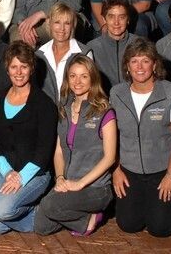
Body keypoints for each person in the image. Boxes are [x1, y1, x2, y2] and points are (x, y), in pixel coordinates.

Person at [111, 38, 171, 237]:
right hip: (129, 170)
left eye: (145, 61)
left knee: (160, 229)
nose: (139, 67)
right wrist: (116, 169)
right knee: (128, 225)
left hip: (163, 170)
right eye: (134, 61)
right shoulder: (117, 93)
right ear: (127, 66)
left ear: (154, 65)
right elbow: (111, 136)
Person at [34, 55, 116, 237]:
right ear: (67, 79)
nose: (77, 81)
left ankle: (92, 218)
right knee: (41, 227)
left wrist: (80, 184)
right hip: (69, 184)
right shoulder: (63, 108)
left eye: (84, 76)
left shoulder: (105, 111)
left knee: (49, 206)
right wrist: (61, 177)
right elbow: (58, 150)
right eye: (73, 76)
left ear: (92, 78)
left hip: (96, 188)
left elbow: (110, 157)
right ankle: (79, 215)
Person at [0, 41, 57, 235]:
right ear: (7, 69)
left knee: (1, 210)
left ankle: (47, 215)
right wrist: (8, 173)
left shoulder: (44, 104)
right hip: (2, 169)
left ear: (31, 69)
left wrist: (20, 178)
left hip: (34, 173)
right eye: (14, 66)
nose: (18, 72)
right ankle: (32, 212)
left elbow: (43, 152)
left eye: (23, 66)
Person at [37, 2, 92, 103]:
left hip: (75, 113)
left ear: (73, 26)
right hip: (46, 113)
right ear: (49, 24)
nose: (62, 28)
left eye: (67, 23)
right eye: (57, 22)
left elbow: (91, 89)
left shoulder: (84, 53)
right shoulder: (39, 54)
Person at [87, 0, 137, 89]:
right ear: (104, 19)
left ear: (128, 19)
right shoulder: (92, 48)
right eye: (111, 17)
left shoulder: (139, 44)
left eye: (121, 17)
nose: (116, 22)